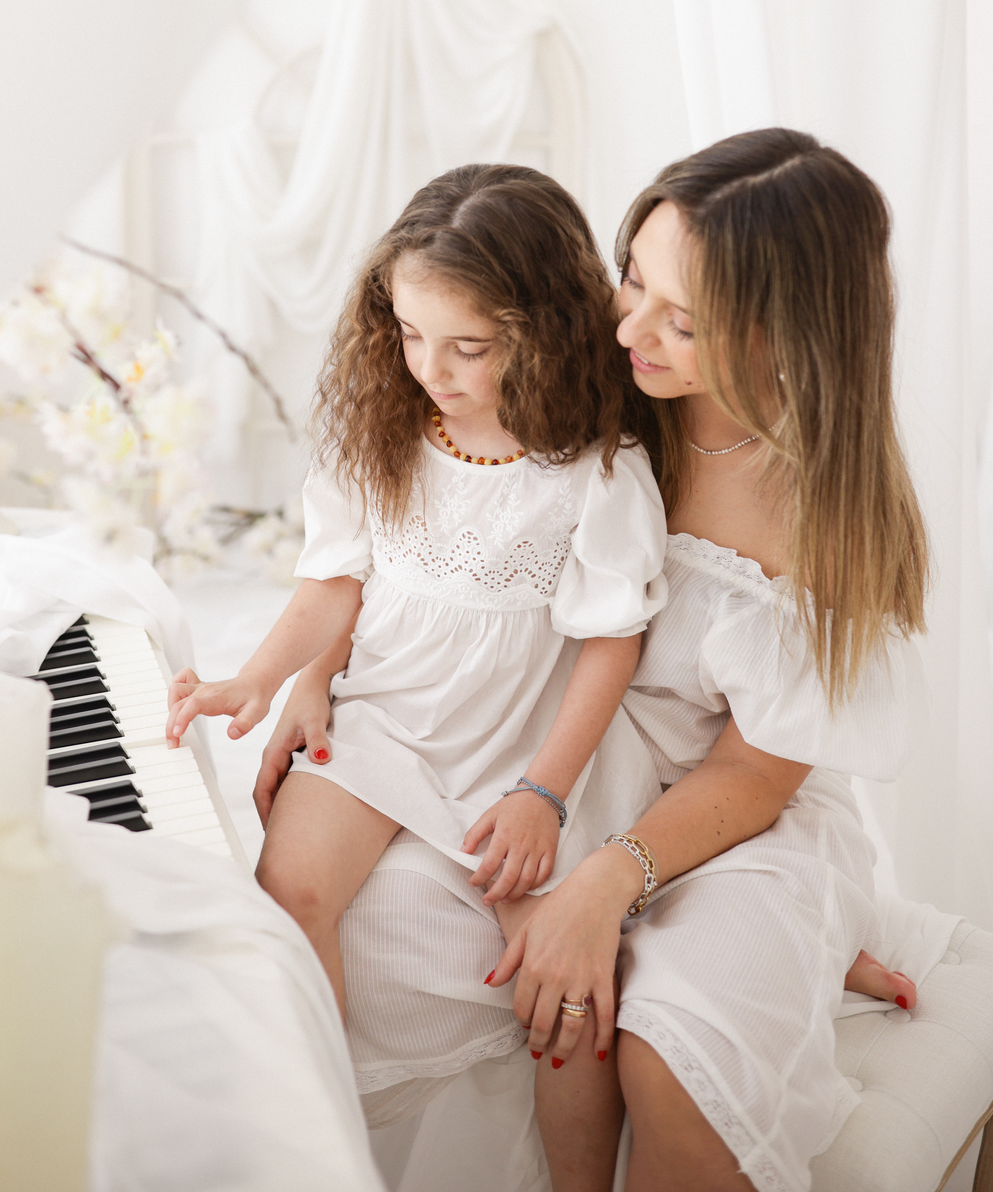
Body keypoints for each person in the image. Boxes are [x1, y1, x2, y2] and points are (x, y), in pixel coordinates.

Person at [258, 130, 928, 1192]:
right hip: (541, 765)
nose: (628, 325)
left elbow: (757, 773)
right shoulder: (590, 395)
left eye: (682, 318)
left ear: (791, 332)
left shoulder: (828, 515)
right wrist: (317, 674)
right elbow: (411, 548)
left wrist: (611, 882)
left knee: (675, 1057)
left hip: (730, 812)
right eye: (631, 277)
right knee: (325, 911)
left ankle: (781, 945)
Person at [166, 162, 669, 1125]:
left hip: (514, 747)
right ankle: (316, 1137)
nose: (428, 367)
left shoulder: (596, 472)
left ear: (548, 333)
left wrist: (544, 793)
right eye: (406, 333)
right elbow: (335, 581)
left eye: (467, 347)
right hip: (386, 714)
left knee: (558, 988)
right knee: (290, 887)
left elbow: (612, 644)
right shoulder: (388, 431)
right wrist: (263, 679)